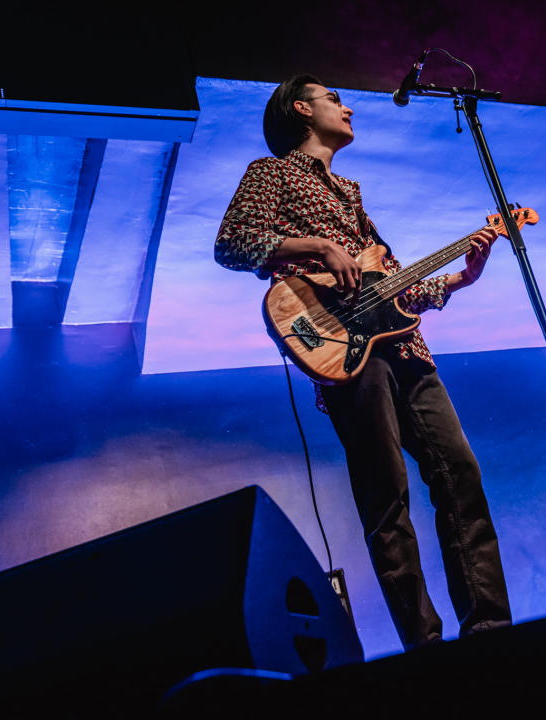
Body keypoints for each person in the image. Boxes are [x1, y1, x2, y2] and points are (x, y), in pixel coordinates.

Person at [215, 75, 511, 650]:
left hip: (405, 349)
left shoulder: (350, 192)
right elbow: (233, 242)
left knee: (461, 474)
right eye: (333, 99)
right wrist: (318, 247)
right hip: (341, 350)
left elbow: (394, 288)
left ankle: (490, 628)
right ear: (301, 109)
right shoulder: (269, 172)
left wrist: (460, 278)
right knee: (387, 493)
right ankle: (423, 644)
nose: (346, 107)